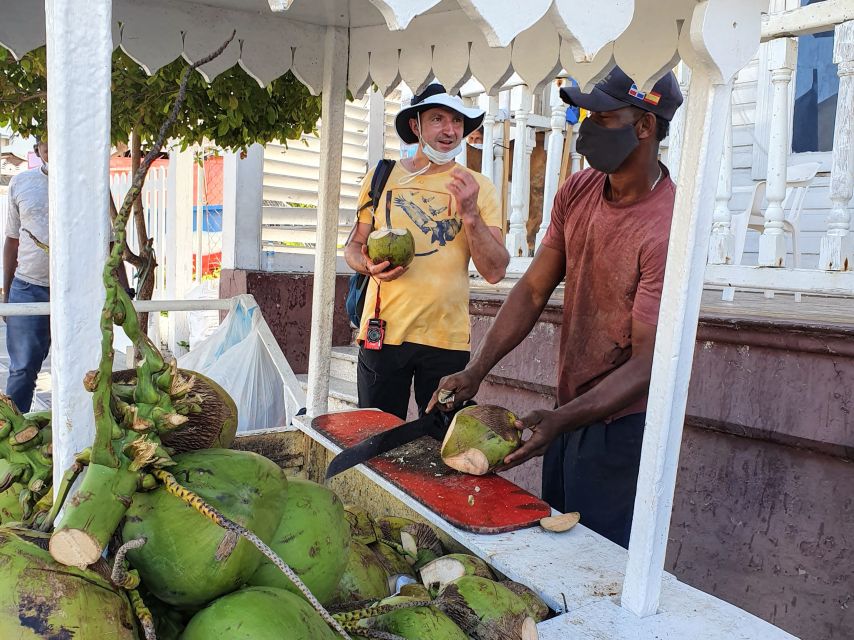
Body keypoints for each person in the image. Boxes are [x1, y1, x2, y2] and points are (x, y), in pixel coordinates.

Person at [428, 67, 684, 548]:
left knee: (596, 563)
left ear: (645, 126)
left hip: (620, 427)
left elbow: (650, 363)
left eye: (602, 117)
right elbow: (531, 290)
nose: (585, 129)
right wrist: (476, 370)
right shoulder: (579, 190)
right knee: (556, 545)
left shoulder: (666, 228)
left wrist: (563, 419)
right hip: (568, 411)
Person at [344, 84, 510, 420]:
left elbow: (495, 271)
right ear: (416, 126)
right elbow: (353, 247)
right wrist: (368, 266)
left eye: (457, 122)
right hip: (383, 332)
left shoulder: (479, 187)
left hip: (446, 338)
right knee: (377, 438)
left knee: (437, 445)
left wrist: (470, 213)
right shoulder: (382, 177)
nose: (450, 130)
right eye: (438, 119)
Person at [3, 137, 51, 412]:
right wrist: (7, 295)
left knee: (82, 366)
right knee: (22, 369)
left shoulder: (87, 182)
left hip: (78, 290)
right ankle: (12, 439)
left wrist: (122, 289)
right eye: (47, 143)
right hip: (28, 287)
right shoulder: (21, 183)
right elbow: (11, 240)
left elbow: (110, 242)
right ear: (38, 150)